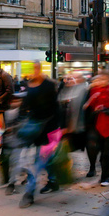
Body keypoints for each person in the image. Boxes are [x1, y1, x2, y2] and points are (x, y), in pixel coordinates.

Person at [18, 61, 61, 208]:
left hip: (48, 129)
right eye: (32, 69)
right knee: (42, 160)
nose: (34, 71)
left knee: (37, 162)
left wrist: (60, 128)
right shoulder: (29, 85)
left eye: (36, 68)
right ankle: (54, 180)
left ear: (40, 69)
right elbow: (25, 106)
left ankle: (29, 194)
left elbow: (57, 107)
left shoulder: (49, 85)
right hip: (34, 129)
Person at [84, 73, 109, 185]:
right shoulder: (91, 91)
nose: (100, 81)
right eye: (98, 79)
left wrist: (105, 109)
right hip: (94, 123)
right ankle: (99, 171)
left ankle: (107, 176)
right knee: (94, 148)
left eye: (103, 79)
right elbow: (86, 107)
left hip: (108, 124)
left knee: (107, 152)